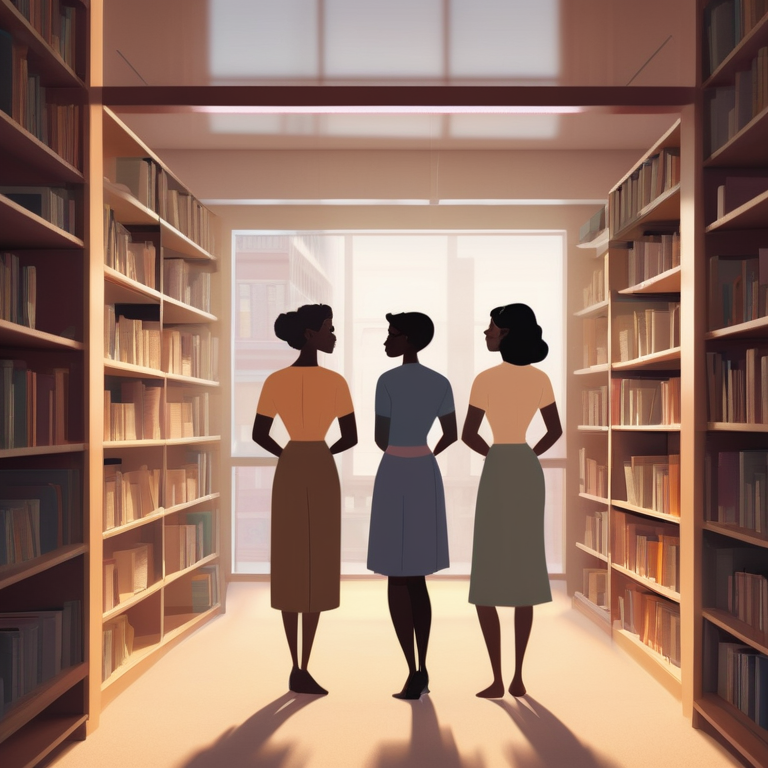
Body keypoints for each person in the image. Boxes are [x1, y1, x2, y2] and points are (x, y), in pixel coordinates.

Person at [252, 303, 357, 695]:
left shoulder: (275, 380)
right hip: (320, 464)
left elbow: (260, 434)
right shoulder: (336, 382)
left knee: (291, 559)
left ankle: (296, 664)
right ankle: (304, 664)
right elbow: (351, 436)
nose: (333, 335)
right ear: (311, 334)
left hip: (291, 464)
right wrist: (322, 452)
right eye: (329, 329)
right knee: (316, 559)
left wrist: (289, 454)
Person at [462, 303, 562, 698]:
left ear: (505, 333)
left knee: (488, 567)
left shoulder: (484, 379)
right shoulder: (540, 378)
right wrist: (526, 454)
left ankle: (498, 678)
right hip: (525, 467)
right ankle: (518, 677)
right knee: (525, 567)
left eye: (491, 328)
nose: (486, 333)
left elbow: (470, 434)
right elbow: (553, 430)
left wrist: (497, 454)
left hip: (499, 467)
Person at [367, 312, 457, 700]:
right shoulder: (440, 382)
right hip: (424, 471)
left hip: (394, 472)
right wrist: (427, 452)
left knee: (396, 575)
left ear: (409, 340)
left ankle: (412, 670)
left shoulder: (386, 381)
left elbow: (379, 437)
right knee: (417, 575)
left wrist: (404, 450)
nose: (387, 341)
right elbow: (451, 433)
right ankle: (422, 667)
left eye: (392, 334)